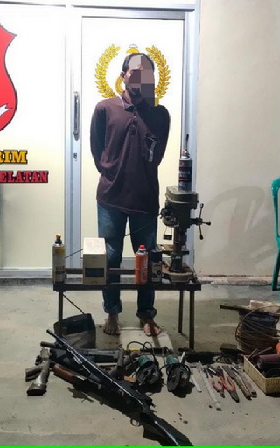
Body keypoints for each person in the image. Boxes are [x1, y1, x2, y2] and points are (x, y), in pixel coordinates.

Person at [90, 52, 171, 336]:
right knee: (110, 258)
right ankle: (112, 312)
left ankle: (146, 314)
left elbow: (157, 156)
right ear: (123, 75)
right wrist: (112, 172)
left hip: (145, 198)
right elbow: (97, 150)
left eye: (147, 73)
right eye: (135, 72)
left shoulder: (160, 115)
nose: (141, 77)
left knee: (147, 259)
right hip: (110, 197)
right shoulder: (105, 109)